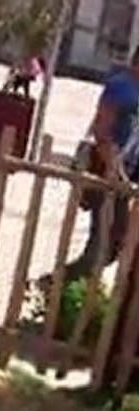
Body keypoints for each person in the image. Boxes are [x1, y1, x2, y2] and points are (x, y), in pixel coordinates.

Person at [64, 46, 139, 284]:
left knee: (114, 243)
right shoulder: (121, 86)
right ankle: (54, 288)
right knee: (104, 244)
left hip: (122, 174)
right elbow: (103, 133)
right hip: (103, 170)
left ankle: (58, 287)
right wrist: (116, 172)